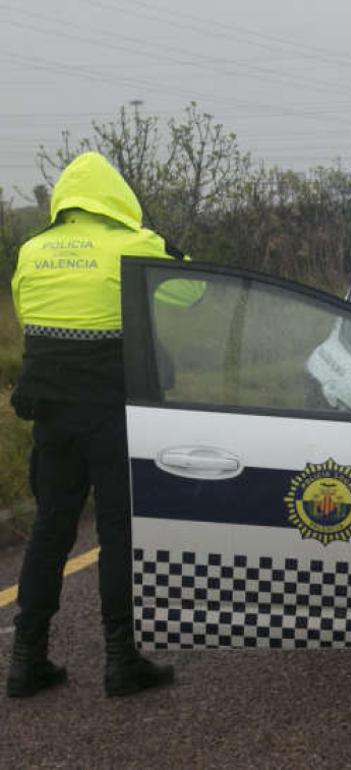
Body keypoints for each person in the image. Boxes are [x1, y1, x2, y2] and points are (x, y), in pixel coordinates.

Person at [6, 152, 199, 698]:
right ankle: (120, 659)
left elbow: (27, 314)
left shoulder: (32, 249)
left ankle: (26, 661)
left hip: (52, 415)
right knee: (118, 533)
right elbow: (195, 291)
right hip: (114, 414)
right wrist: (156, 240)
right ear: (115, 196)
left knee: (49, 531)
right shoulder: (135, 245)